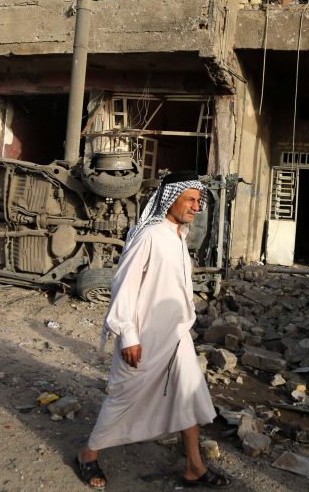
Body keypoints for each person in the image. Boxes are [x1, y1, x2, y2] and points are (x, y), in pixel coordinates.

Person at [76, 171, 231, 489]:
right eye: (190, 199)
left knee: (186, 395)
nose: (194, 206)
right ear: (170, 198)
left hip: (176, 338)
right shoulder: (149, 235)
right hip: (146, 337)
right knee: (124, 397)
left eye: (198, 201)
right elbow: (125, 285)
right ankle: (88, 455)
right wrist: (128, 335)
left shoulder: (179, 236)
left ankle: (194, 467)